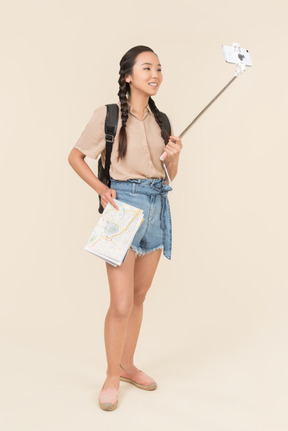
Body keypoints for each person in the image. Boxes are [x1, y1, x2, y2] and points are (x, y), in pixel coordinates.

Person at [68, 45, 183, 411]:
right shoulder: (108, 115)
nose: (156, 74)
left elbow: (169, 177)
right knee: (120, 304)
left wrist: (175, 156)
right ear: (128, 75)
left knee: (138, 297)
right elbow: (75, 156)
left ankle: (129, 365)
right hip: (122, 210)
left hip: (156, 206)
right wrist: (102, 189)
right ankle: (111, 376)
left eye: (160, 68)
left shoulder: (162, 120)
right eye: (148, 67)